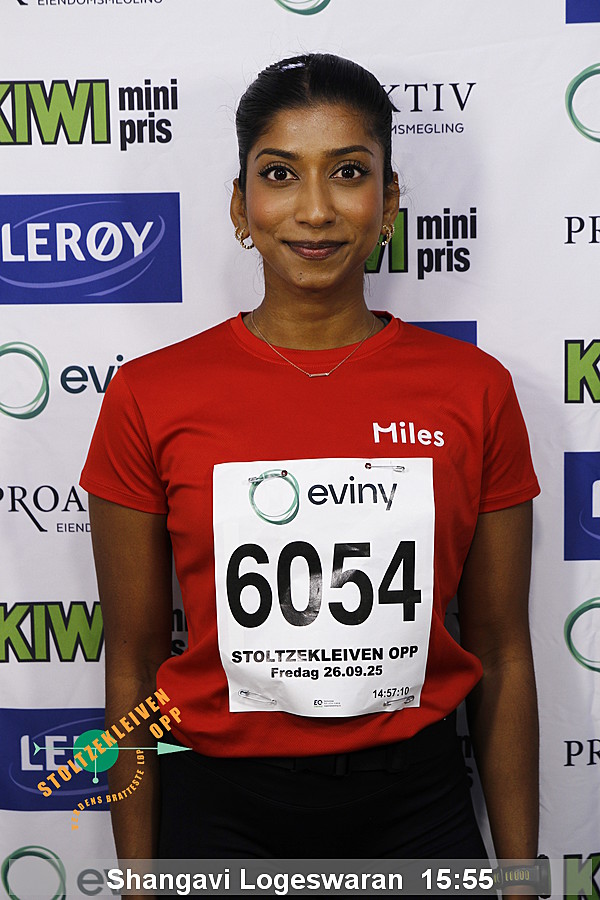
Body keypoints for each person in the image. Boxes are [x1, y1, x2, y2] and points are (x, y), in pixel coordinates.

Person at [81, 53, 540, 870]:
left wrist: (518, 877)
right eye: (281, 174)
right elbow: (133, 664)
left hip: (418, 809)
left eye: (350, 172)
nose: (317, 210)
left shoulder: (474, 390)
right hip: (219, 813)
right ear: (241, 205)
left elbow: (503, 651)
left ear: (389, 203)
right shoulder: (150, 395)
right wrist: (139, 880)